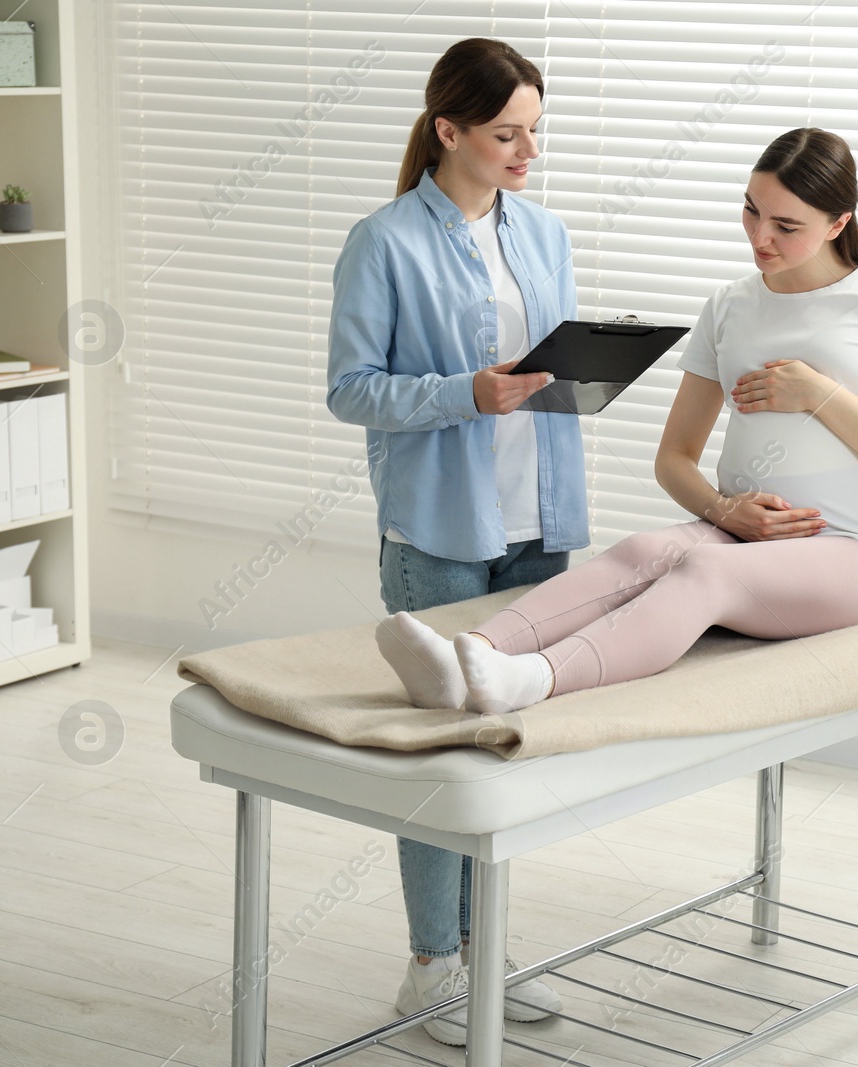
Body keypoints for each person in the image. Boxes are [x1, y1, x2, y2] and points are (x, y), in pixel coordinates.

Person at [377, 127, 858, 739]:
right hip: (742, 538)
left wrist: (820, 394)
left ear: (838, 224)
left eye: (787, 226)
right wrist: (723, 511)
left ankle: (534, 677)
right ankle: (464, 655)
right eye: (752, 211)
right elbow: (675, 458)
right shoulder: (730, 305)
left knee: (705, 574)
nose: (761, 237)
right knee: (640, 552)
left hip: (855, 553)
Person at [325, 38, 575, 1047]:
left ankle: (489, 942)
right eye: (507, 133)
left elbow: (546, 366)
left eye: (534, 133)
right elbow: (352, 391)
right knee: (439, 750)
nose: (526, 152)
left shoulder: (545, 232)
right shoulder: (382, 241)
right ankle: (432, 957)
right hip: (437, 529)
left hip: (536, 525)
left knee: (508, 747)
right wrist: (463, 393)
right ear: (449, 131)